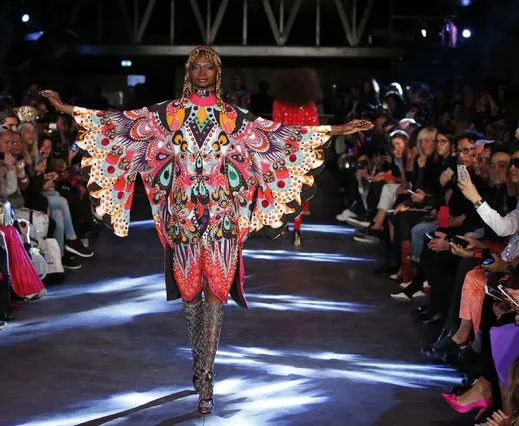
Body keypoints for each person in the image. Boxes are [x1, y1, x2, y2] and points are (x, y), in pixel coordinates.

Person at [41, 45, 371, 414]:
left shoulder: (233, 118)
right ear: (188, 73)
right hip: (182, 216)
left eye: (209, 68)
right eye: (196, 67)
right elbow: (119, 123)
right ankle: (199, 364)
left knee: (216, 290)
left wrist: (338, 129)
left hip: (223, 217)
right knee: (189, 294)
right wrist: (66, 108)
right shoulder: (170, 114)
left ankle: (206, 376)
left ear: (218, 74)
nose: (202, 73)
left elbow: (281, 136)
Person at [272, 68, 321, 247]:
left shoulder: (278, 104)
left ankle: (283, 223)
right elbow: (315, 129)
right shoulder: (310, 106)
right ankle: (297, 231)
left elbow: (276, 129)